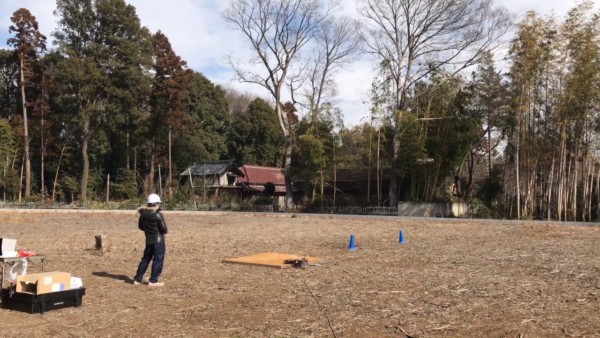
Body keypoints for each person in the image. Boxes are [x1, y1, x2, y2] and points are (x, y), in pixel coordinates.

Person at [133, 193, 168, 287]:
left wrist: (149, 231)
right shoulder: (158, 215)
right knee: (158, 259)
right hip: (158, 240)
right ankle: (153, 281)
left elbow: (140, 227)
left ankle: (137, 279)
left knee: (145, 259)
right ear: (155, 204)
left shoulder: (142, 214)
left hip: (148, 239)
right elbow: (164, 230)